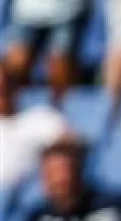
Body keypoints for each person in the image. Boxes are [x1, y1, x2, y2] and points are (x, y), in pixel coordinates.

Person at [0, 65, 71, 196]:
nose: (2, 95)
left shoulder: (42, 118)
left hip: (37, 199)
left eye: (5, 88)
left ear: (16, 88)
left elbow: (69, 150)